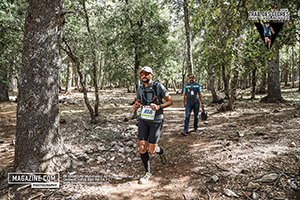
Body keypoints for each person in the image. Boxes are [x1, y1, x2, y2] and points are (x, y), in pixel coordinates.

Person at [132, 66, 173, 184]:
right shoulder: (139, 88)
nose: (144, 75)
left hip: (156, 120)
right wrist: (136, 105)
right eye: (142, 74)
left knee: (152, 150)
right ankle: (147, 173)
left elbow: (170, 101)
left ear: (151, 75)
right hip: (143, 120)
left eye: (146, 73)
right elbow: (139, 100)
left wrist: (159, 106)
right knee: (142, 147)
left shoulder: (158, 86)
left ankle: (160, 151)